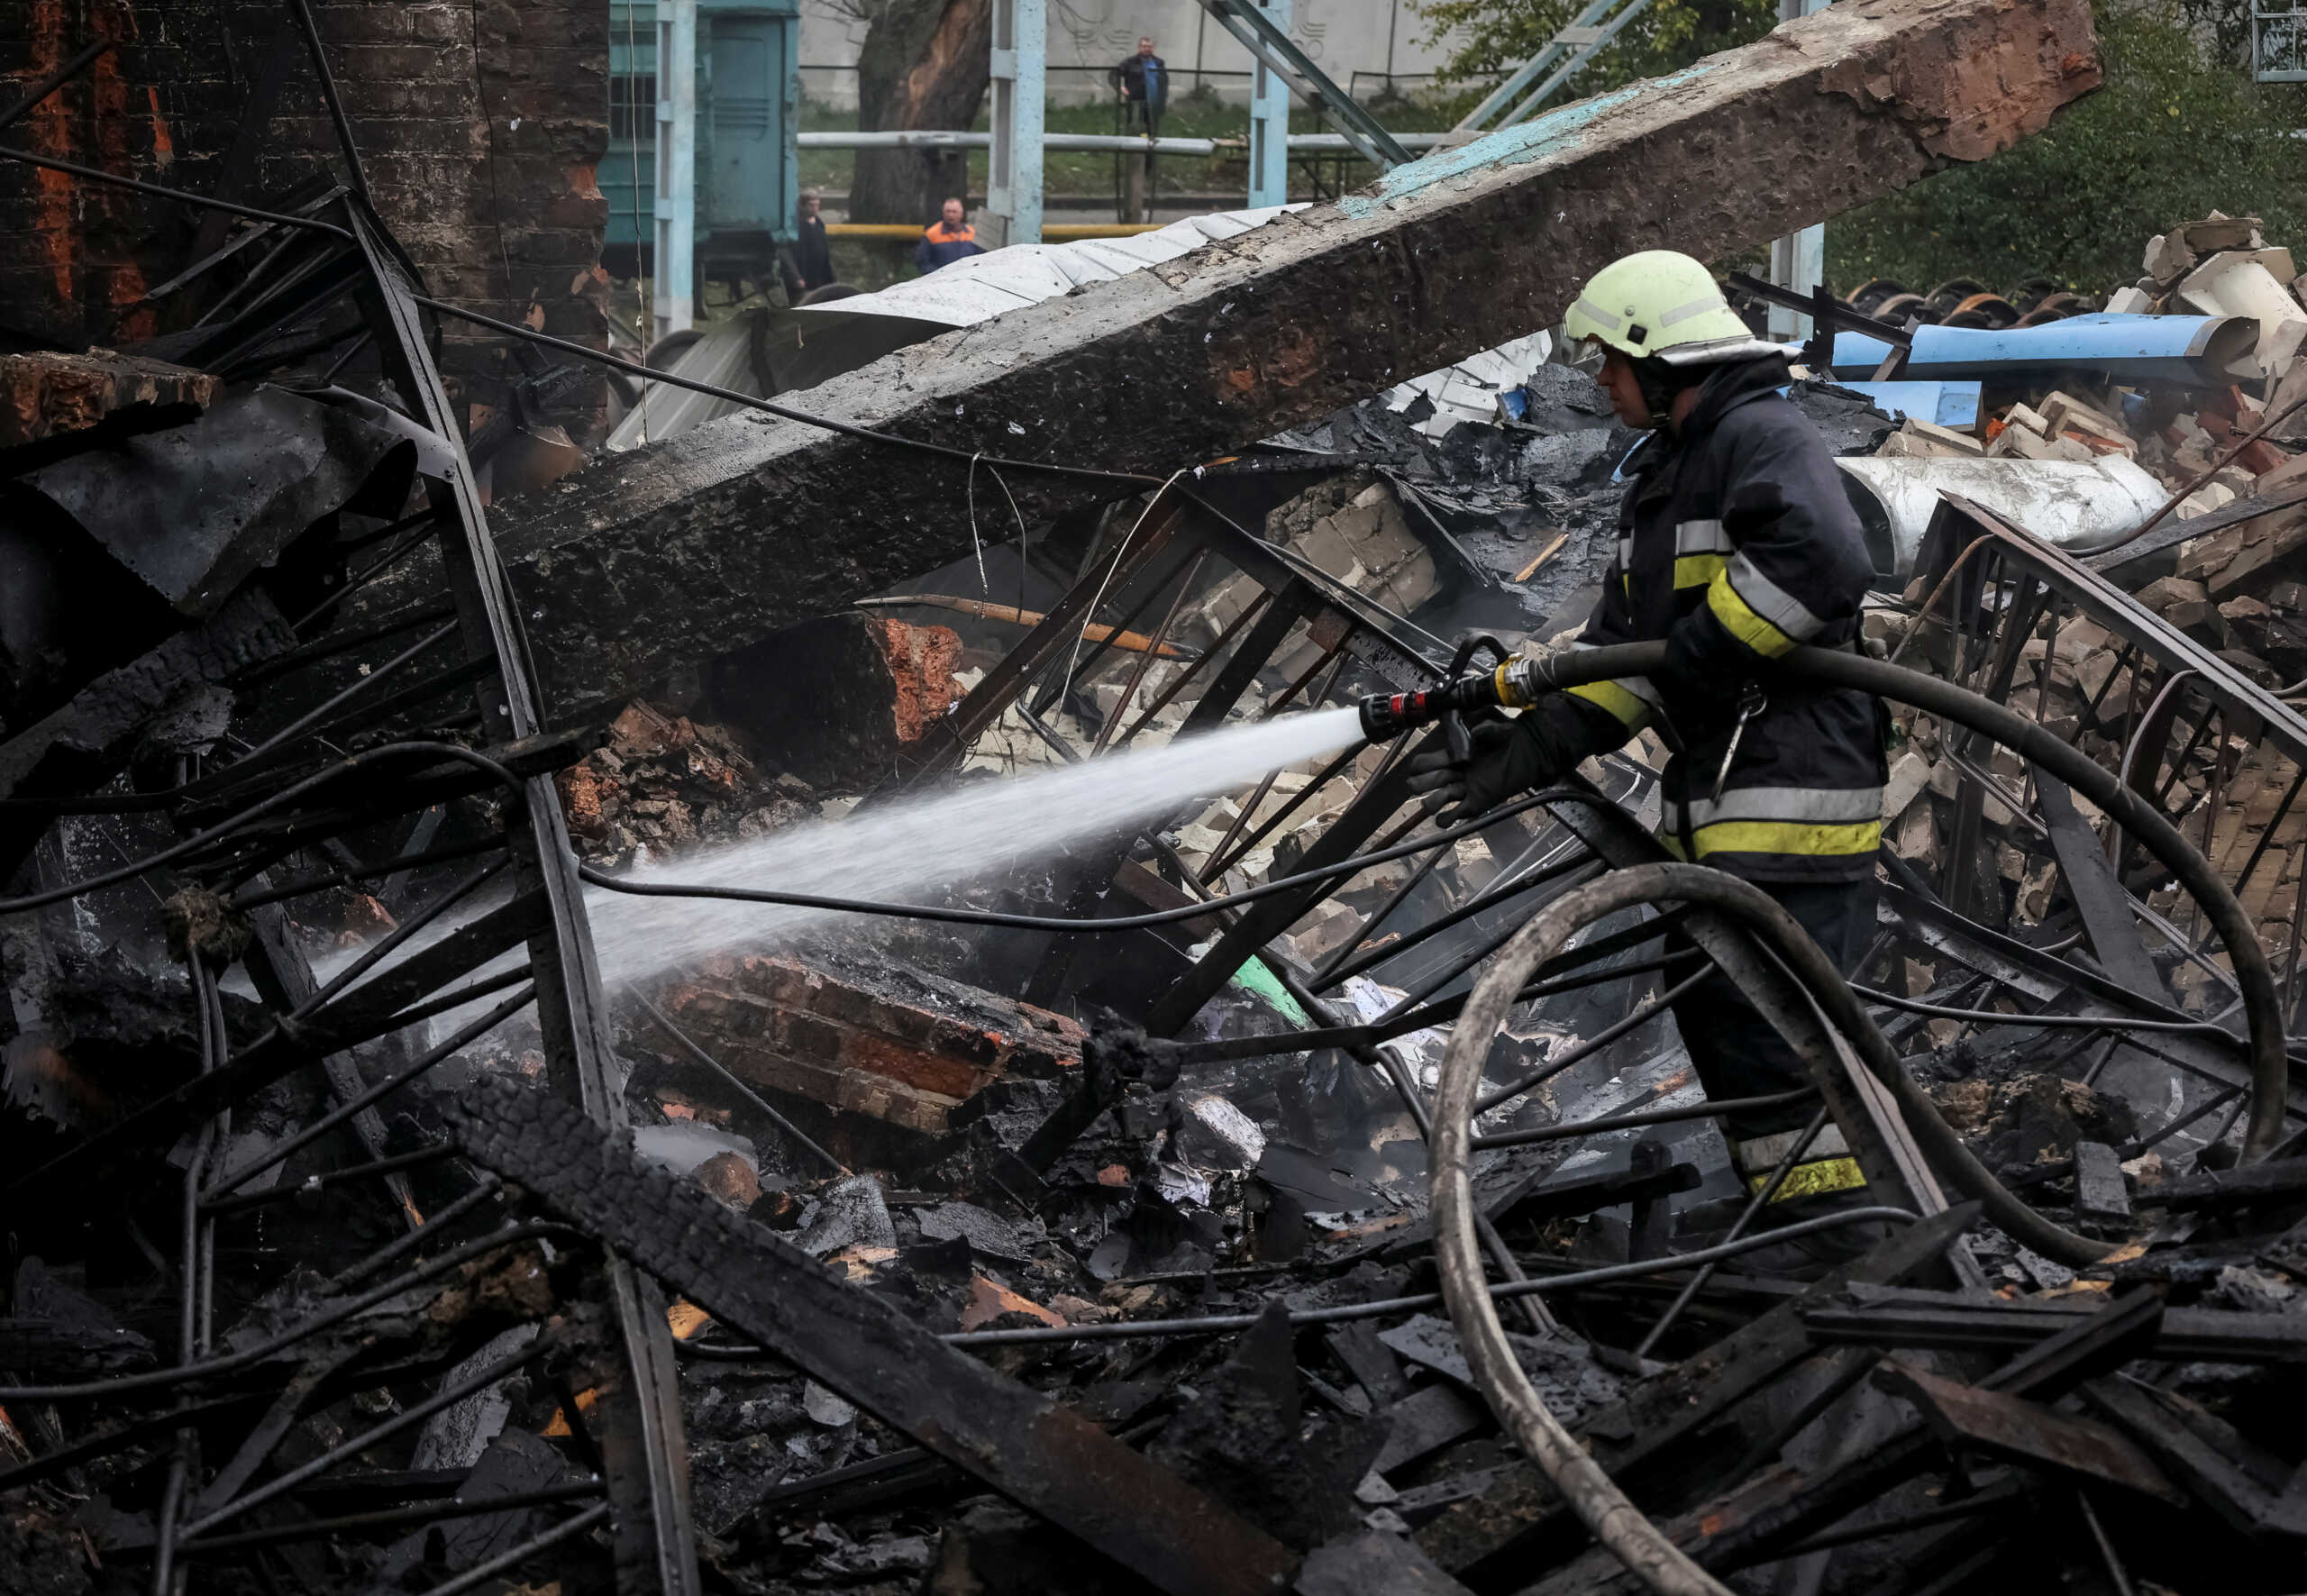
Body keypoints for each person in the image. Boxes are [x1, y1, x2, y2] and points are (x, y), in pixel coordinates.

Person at [1408, 250, 1889, 1265]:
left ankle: (1842, 1252)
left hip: (1787, 804)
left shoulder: (1758, 435)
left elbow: (1827, 558)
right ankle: (1802, 1238)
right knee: (1728, 1019)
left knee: (1780, 1045)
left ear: (1662, 361)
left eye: (1608, 363)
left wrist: (1705, 651)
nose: (1597, 382)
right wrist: (1530, 744)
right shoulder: (1675, 477)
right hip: (1730, 809)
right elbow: (1627, 662)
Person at [780, 187, 834, 300]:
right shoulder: (793, 227)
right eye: (811, 205)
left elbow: (825, 254)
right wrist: (795, 277)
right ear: (802, 205)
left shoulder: (819, 224)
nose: (815, 209)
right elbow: (785, 253)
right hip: (801, 281)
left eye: (817, 205)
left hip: (820, 280)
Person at [1109, 35, 1167, 137]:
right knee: (1135, 129)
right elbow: (1113, 74)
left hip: (1154, 102)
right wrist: (1120, 87)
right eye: (1144, 46)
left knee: (1152, 129)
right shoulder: (1130, 62)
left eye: (1149, 46)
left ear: (1152, 48)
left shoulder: (1159, 63)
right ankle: (1132, 150)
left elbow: (1164, 81)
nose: (1146, 49)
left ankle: (1149, 151)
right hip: (1136, 101)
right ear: (1139, 48)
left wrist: (1163, 97)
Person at [915, 197, 982, 275]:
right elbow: (922, 262)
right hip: (941, 282)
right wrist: (939, 274)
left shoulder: (972, 233)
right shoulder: (932, 234)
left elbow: (980, 260)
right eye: (948, 211)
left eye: (954, 212)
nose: (950, 215)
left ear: (961, 214)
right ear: (943, 213)